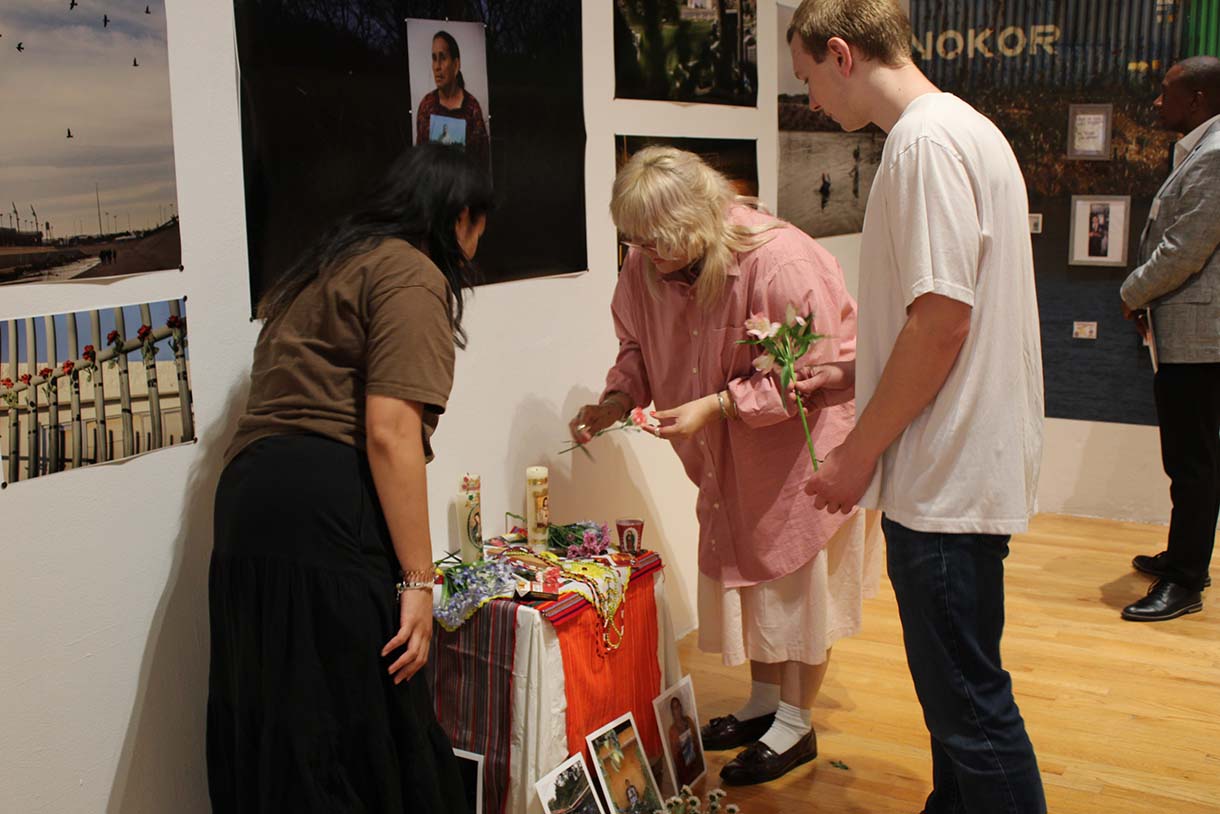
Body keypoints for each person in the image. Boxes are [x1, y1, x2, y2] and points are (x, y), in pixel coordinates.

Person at [789, 1, 1047, 812]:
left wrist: (855, 453)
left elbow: (941, 323)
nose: (811, 104)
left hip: (943, 483)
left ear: (841, 54)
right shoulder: (967, 129)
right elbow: (937, 316)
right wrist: (850, 376)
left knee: (970, 712)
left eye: (807, 81)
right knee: (958, 707)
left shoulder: (923, 144)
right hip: (963, 469)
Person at [569, 146, 878, 786]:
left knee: (795, 588)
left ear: (696, 220)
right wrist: (618, 399)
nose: (646, 255)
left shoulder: (779, 261)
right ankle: (765, 704)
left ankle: (797, 721)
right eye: (636, 241)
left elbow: (809, 375)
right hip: (726, 456)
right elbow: (636, 342)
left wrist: (717, 405)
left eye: (657, 242)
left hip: (797, 451)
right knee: (753, 583)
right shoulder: (645, 263)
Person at [207, 144, 492, 812]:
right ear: (459, 217)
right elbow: (390, 431)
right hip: (325, 508)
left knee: (280, 725)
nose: (481, 240)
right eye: (481, 222)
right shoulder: (412, 272)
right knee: (360, 722)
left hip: (247, 501)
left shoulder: (324, 266)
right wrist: (420, 580)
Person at [1120, 56, 1220, 622]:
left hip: (1201, 336)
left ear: (1199, 99)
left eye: (1166, 92)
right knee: (1190, 457)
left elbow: (1186, 248)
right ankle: (1185, 556)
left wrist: (1132, 292)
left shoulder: (1215, 153)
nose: (1158, 102)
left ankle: (1186, 580)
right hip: (1186, 328)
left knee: (1194, 461)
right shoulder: (1202, 150)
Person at [416, 30, 489, 168]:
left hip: (463, 187)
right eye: (434, 58)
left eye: (443, 57)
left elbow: (482, 162)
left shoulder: (472, 108)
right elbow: (420, 160)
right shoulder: (426, 106)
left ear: (456, 65)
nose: (437, 67)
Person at [666, 695, 705, 788]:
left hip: (697, 763)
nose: (677, 709)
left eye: (678, 706)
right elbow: (676, 756)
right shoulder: (673, 730)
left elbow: (696, 741)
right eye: (674, 708)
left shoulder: (688, 720)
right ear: (672, 711)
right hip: (685, 770)